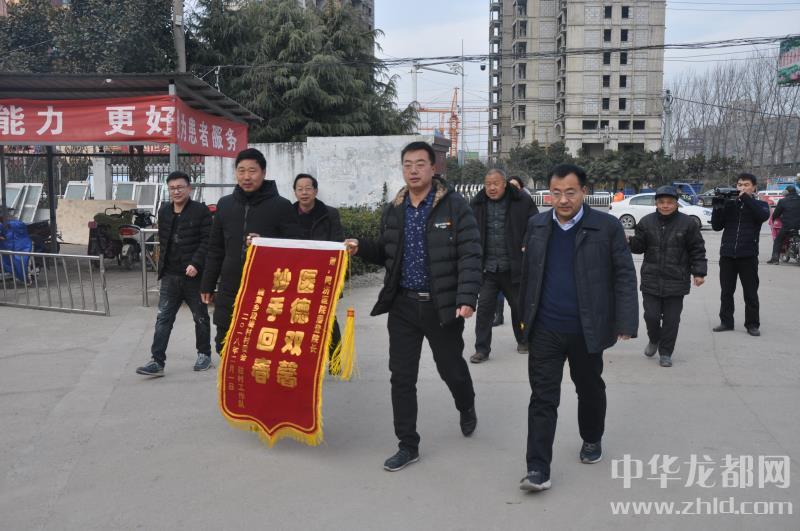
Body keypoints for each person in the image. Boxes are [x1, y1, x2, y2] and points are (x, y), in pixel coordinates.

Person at [344, 141, 482, 472]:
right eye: (408, 164)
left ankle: (466, 404)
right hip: (403, 306)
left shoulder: (455, 206)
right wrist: (361, 247)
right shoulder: (395, 209)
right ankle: (408, 444)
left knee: (451, 369)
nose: (414, 170)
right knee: (401, 377)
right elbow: (386, 252)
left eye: (420, 164)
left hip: (441, 307)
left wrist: (466, 298)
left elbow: (470, 253)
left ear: (433, 168)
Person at [518, 163, 638, 492]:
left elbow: (624, 274)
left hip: (587, 328)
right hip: (545, 328)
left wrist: (626, 320)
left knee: (589, 389)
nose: (563, 200)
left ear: (584, 192)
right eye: (556, 193)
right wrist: (522, 321)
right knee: (542, 398)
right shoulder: (537, 225)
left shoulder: (606, 227)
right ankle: (537, 469)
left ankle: (591, 437)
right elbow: (528, 275)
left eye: (570, 192)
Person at [200, 148, 297, 355]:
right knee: (225, 346)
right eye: (241, 170)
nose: (246, 176)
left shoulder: (282, 206)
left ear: (263, 172)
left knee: (262, 349)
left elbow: (293, 250)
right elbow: (215, 249)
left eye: (252, 171)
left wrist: (266, 245)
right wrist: (207, 283)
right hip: (230, 287)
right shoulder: (225, 205)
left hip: (267, 290)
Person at [136, 171, 213, 377]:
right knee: (163, 318)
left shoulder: (200, 211)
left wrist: (196, 263)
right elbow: (164, 241)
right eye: (172, 188)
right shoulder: (164, 211)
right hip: (170, 275)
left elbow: (207, 241)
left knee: (200, 317)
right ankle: (157, 361)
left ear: (189, 188)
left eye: (180, 187)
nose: (176, 191)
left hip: (194, 276)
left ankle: (204, 355)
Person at [628, 185, 707, 368]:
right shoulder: (646, 222)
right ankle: (654, 339)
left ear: (676, 203)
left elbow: (697, 249)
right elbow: (639, 247)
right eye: (661, 202)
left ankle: (665, 353)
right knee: (651, 316)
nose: (665, 205)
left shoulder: (688, 223)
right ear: (656, 203)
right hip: (651, 278)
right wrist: (629, 241)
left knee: (671, 320)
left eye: (669, 202)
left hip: (676, 280)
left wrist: (699, 272)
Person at [470, 169, 538, 363]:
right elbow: (467, 229)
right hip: (489, 269)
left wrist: (527, 240)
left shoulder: (521, 200)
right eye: (488, 184)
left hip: (513, 267)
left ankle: (523, 340)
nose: (491, 188)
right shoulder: (477, 203)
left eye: (496, 183)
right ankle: (481, 349)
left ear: (505, 183)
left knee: (518, 307)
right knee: (484, 310)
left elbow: (535, 224)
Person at [291, 173, 345, 369]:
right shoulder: (288, 214)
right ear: (295, 192)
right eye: (300, 189)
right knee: (297, 318)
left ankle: (335, 360)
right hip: (296, 276)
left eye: (308, 188)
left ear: (315, 191)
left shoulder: (329, 213)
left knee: (327, 317)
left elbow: (338, 243)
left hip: (323, 275)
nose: (304, 192)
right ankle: (302, 359)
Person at [710, 173, 770, 336]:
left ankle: (752, 324)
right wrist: (717, 207)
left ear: (754, 187)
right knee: (726, 292)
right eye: (739, 185)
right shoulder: (730, 204)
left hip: (748, 255)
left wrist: (746, 199)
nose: (742, 188)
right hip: (727, 254)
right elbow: (716, 226)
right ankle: (726, 322)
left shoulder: (760, 205)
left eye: (746, 185)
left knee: (750, 292)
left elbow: (763, 216)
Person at [767, 185, 800, 264]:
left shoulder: (783, 201)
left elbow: (776, 214)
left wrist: (773, 218)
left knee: (778, 240)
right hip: (799, 226)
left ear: (786, 192)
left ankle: (775, 259)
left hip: (787, 226)